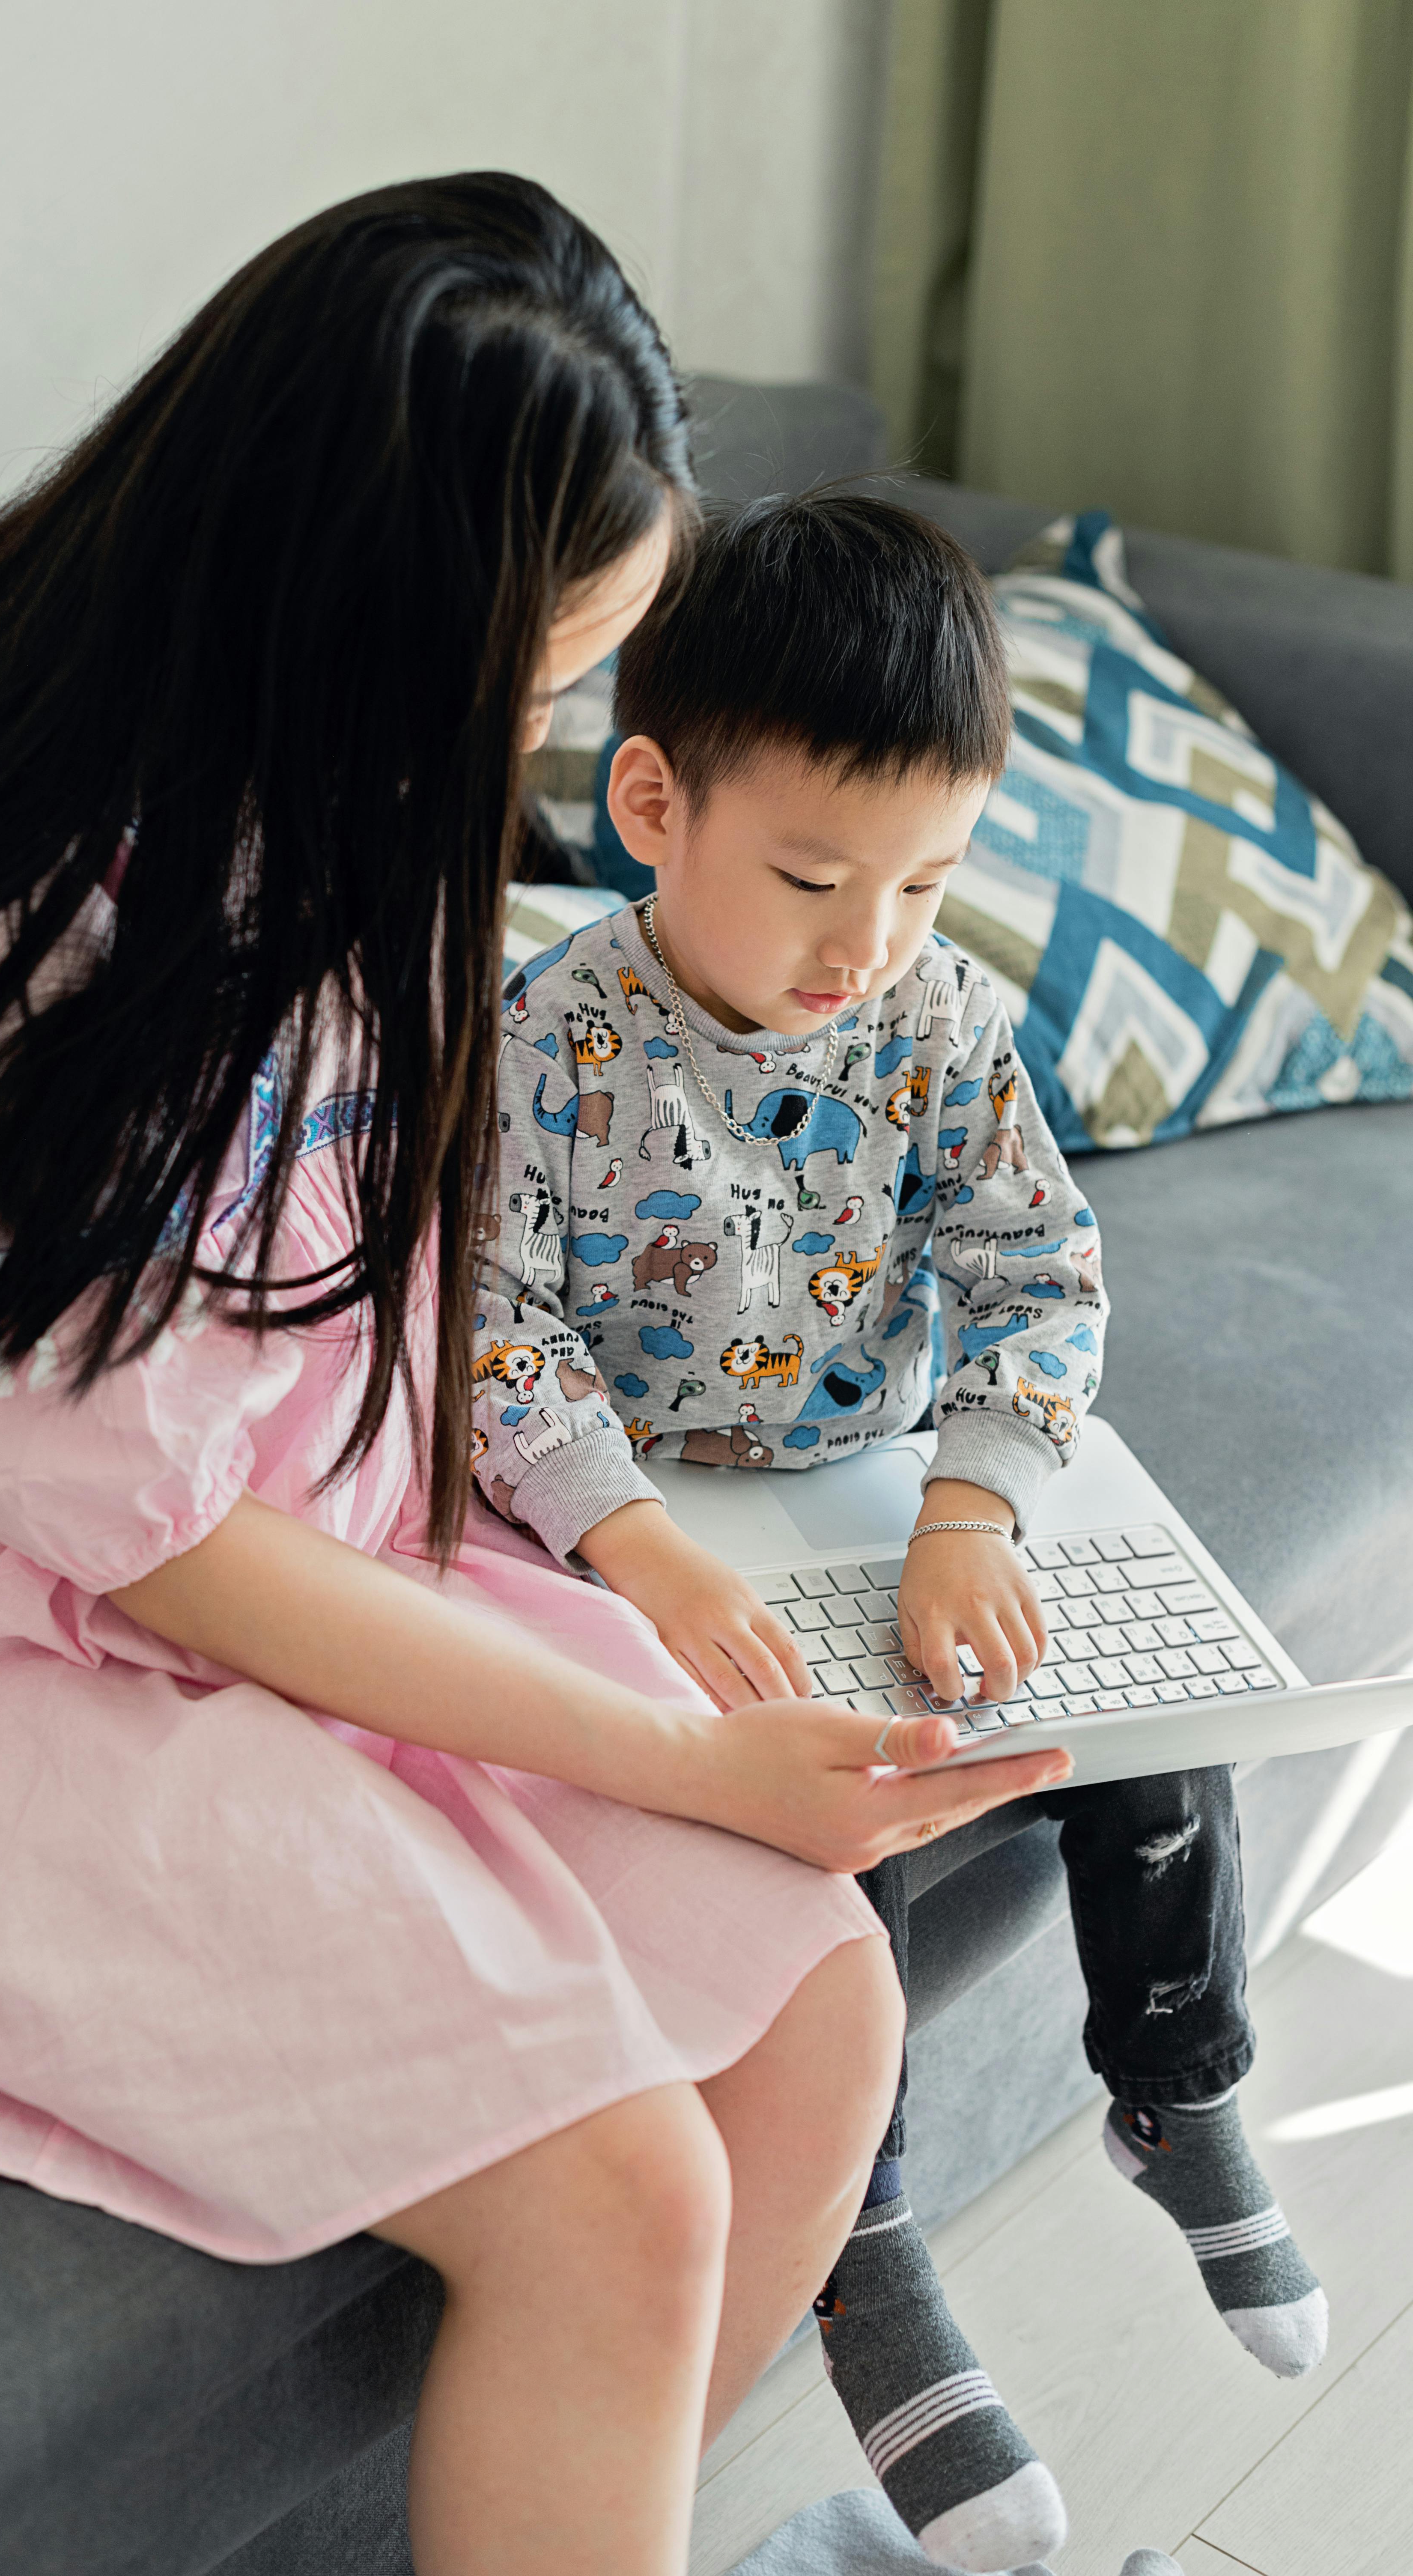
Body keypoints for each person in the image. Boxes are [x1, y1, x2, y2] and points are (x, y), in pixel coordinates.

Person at [0, 179, 1069, 2576]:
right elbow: (148, 1535)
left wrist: (621, 1529)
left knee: (819, 2016)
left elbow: (333, 1327)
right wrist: (669, 1745)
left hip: (269, 1529)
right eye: (541, 679)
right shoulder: (75, 915)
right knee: (622, 2187)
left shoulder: (315, 791)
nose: (544, 744)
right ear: (367, 607)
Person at [473, 491, 1328, 2573]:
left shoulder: (933, 1022)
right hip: (643, 1539)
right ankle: (874, 2283)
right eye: (812, 879)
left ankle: (1175, 2077)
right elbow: (484, 1329)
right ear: (654, 804)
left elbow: (1039, 1281)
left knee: (1136, 1711)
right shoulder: (554, 1040)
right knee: (779, 1855)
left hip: (875, 1496)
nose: (869, 941)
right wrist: (639, 1551)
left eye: (931, 878)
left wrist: (971, 1510)